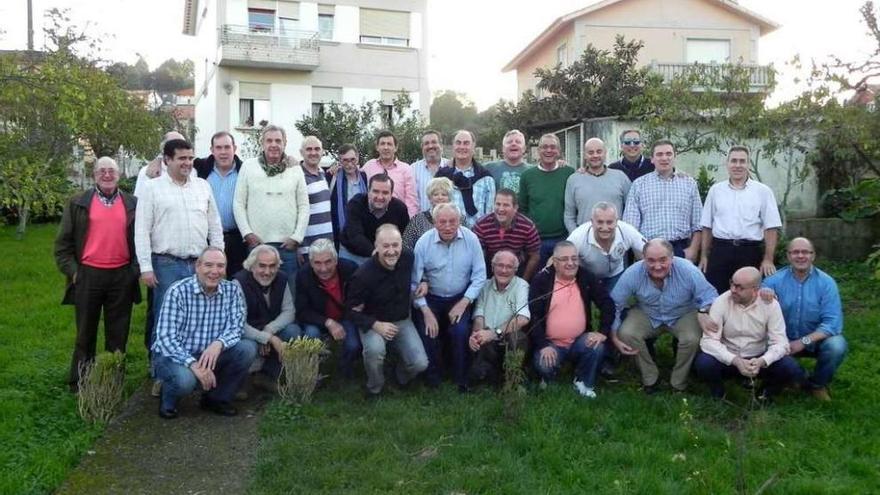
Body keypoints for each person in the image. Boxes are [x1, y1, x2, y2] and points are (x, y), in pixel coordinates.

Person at [55, 157, 141, 391]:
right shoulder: (78, 203)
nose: (107, 175)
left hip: (121, 276)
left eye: (111, 171)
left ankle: (113, 381)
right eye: (101, 171)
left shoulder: (132, 203)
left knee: (118, 334)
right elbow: (62, 246)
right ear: (94, 174)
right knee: (85, 332)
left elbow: (142, 240)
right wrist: (74, 273)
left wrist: (134, 272)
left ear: (119, 174)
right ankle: (80, 382)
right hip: (88, 276)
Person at [135, 139, 224, 357]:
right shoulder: (152, 188)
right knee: (165, 318)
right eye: (181, 158)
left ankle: (194, 364)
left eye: (190, 158)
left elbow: (214, 224)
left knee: (199, 316)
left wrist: (219, 258)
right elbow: (141, 230)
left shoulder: (202, 186)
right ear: (167, 160)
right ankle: (160, 370)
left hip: (199, 264)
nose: (187, 163)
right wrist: (145, 267)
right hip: (166, 264)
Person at [152, 247, 257, 419]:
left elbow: (236, 326)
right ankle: (168, 397)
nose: (214, 271)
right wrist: (193, 364)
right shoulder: (178, 291)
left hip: (209, 353)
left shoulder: (232, 291)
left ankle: (215, 399)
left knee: (247, 349)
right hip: (174, 355)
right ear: (197, 266)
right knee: (185, 381)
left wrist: (219, 344)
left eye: (220, 266)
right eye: (209, 265)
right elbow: (166, 339)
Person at [610, 239, 718, 394]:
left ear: (672, 257)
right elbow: (615, 304)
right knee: (626, 333)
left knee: (691, 339)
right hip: (647, 312)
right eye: (651, 260)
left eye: (663, 260)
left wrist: (702, 312)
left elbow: (710, 295)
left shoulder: (688, 270)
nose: (657, 266)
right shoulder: (633, 273)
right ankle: (650, 377)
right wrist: (614, 336)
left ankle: (678, 382)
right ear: (643, 258)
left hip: (682, 312)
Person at [695, 267, 804, 400]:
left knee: (790, 367)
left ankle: (764, 395)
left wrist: (763, 360)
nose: (733, 290)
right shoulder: (722, 301)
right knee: (703, 363)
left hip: (757, 357)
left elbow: (780, 342)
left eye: (740, 287)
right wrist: (735, 360)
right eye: (732, 284)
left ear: (755, 290)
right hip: (729, 357)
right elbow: (708, 341)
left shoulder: (770, 305)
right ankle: (718, 395)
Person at [346, 225, 428, 398]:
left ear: (401, 245)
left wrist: (424, 281)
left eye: (395, 245)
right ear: (376, 246)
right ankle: (375, 387)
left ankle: (399, 377)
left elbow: (422, 271)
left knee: (420, 364)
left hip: (401, 320)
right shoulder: (362, 275)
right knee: (375, 350)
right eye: (385, 246)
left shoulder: (408, 257)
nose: (391, 251)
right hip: (373, 322)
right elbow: (351, 311)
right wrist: (375, 325)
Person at [412, 203, 487, 392]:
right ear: (434, 223)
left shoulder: (471, 239)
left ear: (460, 221)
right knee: (429, 331)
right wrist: (425, 309)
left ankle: (461, 377)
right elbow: (413, 281)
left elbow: (480, 276)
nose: (447, 226)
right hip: (431, 299)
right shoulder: (423, 242)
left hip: (459, 297)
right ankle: (433, 378)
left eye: (452, 221)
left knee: (460, 332)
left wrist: (464, 302)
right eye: (442, 222)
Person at [762, 237, 847, 401]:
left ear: (813, 255)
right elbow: (758, 315)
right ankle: (788, 379)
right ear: (788, 256)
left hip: (814, 339)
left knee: (837, 345)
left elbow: (832, 324)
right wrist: (763, 295)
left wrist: (803, 341)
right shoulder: (772, 282)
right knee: (755, 341)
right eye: (795, 252)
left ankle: (817, 384)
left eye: (805, 252)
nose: (800, 256)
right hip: (781, 339)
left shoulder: (827, 283)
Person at [530, 241, 615, 398]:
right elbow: (533, 316)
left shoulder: (586, 277)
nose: (571, 263)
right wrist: (543, 345)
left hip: (579, 341)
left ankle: (583, 381)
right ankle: (548, 379)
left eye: (574, 258)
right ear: (555, 262)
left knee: (597, 347)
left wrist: (602, 332)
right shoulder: (541, 280)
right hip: (551, 343)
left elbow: (607, 303)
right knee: (543, 363)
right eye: (564, 259)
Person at [699, 145, 782, 293]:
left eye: (742, 161)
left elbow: (771, 227)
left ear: (748, 164)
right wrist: (704, 256)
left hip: (749, 252)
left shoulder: (763, 191)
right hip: (720, 251)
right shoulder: (716, 190)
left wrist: (768, 259)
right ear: (727, 164)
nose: (738, 165)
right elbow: (707, 226)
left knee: (748, 297)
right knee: (716, 296)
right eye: (734, 161)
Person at [234, 125, 310, 280]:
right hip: (257, 245)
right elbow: (238, 203)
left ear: (284, 143)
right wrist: (247, 233)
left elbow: (303, 205)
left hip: (287, 247)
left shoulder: (295, 169)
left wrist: (297, 237)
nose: (274, 144)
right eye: (269, 140)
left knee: (288, 295)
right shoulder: (248, 166)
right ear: (262, 143)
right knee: (257, 296)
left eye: (278, 140)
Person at [234, 244, 309, 381]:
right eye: (262, 266)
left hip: (270, 328)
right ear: (251, 265)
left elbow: (289, 311)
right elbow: (239, 325)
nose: (267, 272)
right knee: (247, 347)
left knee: (293, 330)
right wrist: (267, 338)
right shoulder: (238, 283)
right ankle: (242, 381)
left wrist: (269, 330)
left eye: (272, 266)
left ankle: (269, 375)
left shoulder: (281, 278)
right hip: (248, 334)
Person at [623, 140, 702, 261]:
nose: (664, 158)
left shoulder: (689, 183)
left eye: (668, 154)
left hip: (681, 249)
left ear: (675, 156)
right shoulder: (639, 185)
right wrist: (640, 254)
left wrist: (693, 251)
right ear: (652, 159)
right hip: (649, 249)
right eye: (659, 154)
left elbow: (698, 224)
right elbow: (631, 226)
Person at [295, 239, 363, 377]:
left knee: (353, 345)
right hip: (317, 318)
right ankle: (312, 374)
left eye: (328, 262)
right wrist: (328, 322)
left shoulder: (350, 269)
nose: (323, 268)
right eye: (317, 263)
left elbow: (361, 295)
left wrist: (360, 304)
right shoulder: (303, 275)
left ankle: (344, 371)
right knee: (311, 337)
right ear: (310, 263)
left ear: (336, 260)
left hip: (345, 316)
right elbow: (302, 311)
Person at [468, 250, 530, 385]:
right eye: (500, 265)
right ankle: (490, 375)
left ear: (515, 270)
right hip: (487, 339)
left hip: (507, 338)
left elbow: (523, 318)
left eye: (509, 267)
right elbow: (479, 315)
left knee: (517, 337)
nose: (504, 270)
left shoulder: (521, 286)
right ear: (492, 267)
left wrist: (494, 333)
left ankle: (514, 377)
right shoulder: (485, 285)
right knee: (476, 374)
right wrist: (476, 334)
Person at [195, 131, 246, 278]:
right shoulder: (200, 169)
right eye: (218, 148)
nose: (223, 152)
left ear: (234, 148)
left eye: (227, 147)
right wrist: (156, 162)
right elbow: (174, 156)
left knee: (236, 281)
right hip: (208, 238)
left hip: (238, 239)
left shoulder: (245, 171)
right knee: (208, 280)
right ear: (212, 150)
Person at [519, 133, 574, 268]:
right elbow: (522, 209)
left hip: (563, 238)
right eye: (544, 147)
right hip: (536, 241)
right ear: (538, 151)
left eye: (553, 147)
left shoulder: (569, 173)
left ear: (559, 151)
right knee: (538, 280)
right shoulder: (527, 176)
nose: (548, 150)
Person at [567, 202, 646, 290]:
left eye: (609, 222)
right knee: (583, 303)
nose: (605, 227)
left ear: (616, 221)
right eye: (600, 222)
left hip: (616, 274)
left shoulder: (627, 230)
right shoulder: (578, 236)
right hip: (587, 277)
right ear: (592, 222)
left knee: (615, 302)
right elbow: (560, 258)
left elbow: (649, 249)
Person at [339, 174, 410, 265]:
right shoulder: (356, 204)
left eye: (385, 193)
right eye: (376, 191)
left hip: (385, 255)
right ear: (368, 192)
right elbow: (355, 235)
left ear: (391, 194)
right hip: (353, 254)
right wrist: (377, 256)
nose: (380, 197)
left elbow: (404, 237)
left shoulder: (400, 208)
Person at [472, 189, 541, 281]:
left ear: (515, 208)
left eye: (506, 205)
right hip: (489, 271)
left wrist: (524, 281)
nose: (501, 209)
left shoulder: (527, 226)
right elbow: (477, 257)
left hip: (517, 272)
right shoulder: (481, 225)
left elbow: (534, 256)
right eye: (498, 204)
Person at [564, 138, 631, 233]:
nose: (595, 155)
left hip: (616, 238)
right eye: (590, 152)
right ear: (584, 155)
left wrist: (623, 234)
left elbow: (631, 211)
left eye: (599, 151)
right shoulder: (573, 180)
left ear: (605, 153)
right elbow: (569, 216)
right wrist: (578, 237)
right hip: (585, 240)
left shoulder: (620, 177)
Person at [436, 130, 495, 228]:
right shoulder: (441, 177)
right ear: (453, 146)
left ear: (473, 146)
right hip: (446, 235)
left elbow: (490, 216)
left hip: (477, 237)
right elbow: (434, 210)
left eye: (466, 143)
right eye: (458, 143)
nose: (462, 147)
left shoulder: (486, 179)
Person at [362, 130, 419, 217]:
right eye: (382, 144)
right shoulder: (369, 166)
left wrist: (408, 225)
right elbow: (353, 176)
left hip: (397, 219)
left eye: (389, 144)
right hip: (371, 219)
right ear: (377, 147)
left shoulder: (406, 169)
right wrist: (336, 169)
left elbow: (411, 201)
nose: (386, 147)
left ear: (395, 148)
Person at [298, 136, 335, 263]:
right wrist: (297, 247)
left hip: (327, 247)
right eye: (309, 149)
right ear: (301, 152)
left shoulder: (323, 174)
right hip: (307, 248)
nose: (313, 153)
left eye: (317, 149)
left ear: (322, 151)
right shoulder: (297, 176)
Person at [329, 143, 367, 244]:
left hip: (363, 233)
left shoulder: (364, 177)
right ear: (340, 161)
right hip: (341, 234)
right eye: (345, 160)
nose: (349, 164)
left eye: (352, 159)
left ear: (358, 158)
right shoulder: (333, 177)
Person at [134, 131, 190, 198]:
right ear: (163, 149)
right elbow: (139, 200)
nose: (180, 150)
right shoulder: (147, 172)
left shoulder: (192, 171)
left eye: (182, 146)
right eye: (175, 146)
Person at [403, 176, 454, 250]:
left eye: (444, 194)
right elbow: (406, 246)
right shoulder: (417, 220)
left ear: (449, 197)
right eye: (435, 194)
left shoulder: (459, 219)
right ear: (429, 198)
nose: (440, 197)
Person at [411, 130, 450, 212]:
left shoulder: (451, 167)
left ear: (441, 145)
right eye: (426, 143)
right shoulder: (412, 169)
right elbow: (411, 200)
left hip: (448, 221)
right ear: (422, 147)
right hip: (421, 222)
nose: (430, 146)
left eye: (434, 142)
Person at [484, 129, 533, 194]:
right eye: (509, 142)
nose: (513, 144)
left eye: (518, 142)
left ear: (524, 148)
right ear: (503, 148)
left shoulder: (533, 171)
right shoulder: (488, 168)